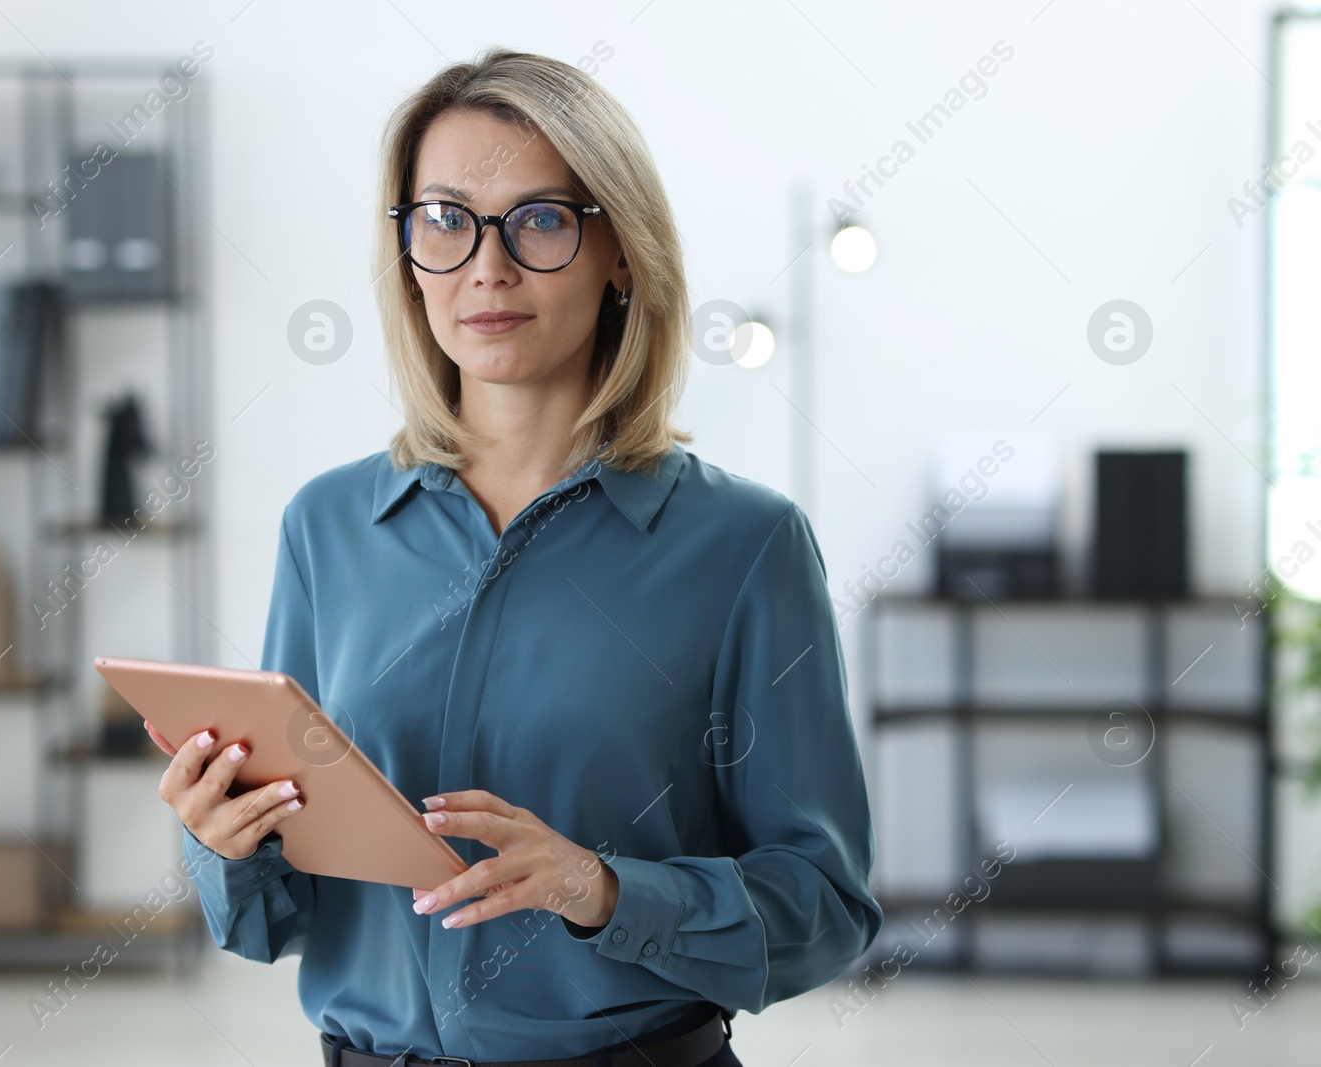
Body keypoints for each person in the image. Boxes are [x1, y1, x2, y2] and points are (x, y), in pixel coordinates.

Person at [149, 46, 881, 1067]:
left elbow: (827, 907)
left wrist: (605, 888)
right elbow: (274, 921)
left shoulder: (744, 545)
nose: (485, 266)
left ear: (618, 249)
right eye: (443, 220)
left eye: (539, 219)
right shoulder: (326, 526)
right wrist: (221, 841)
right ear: (407, 254)